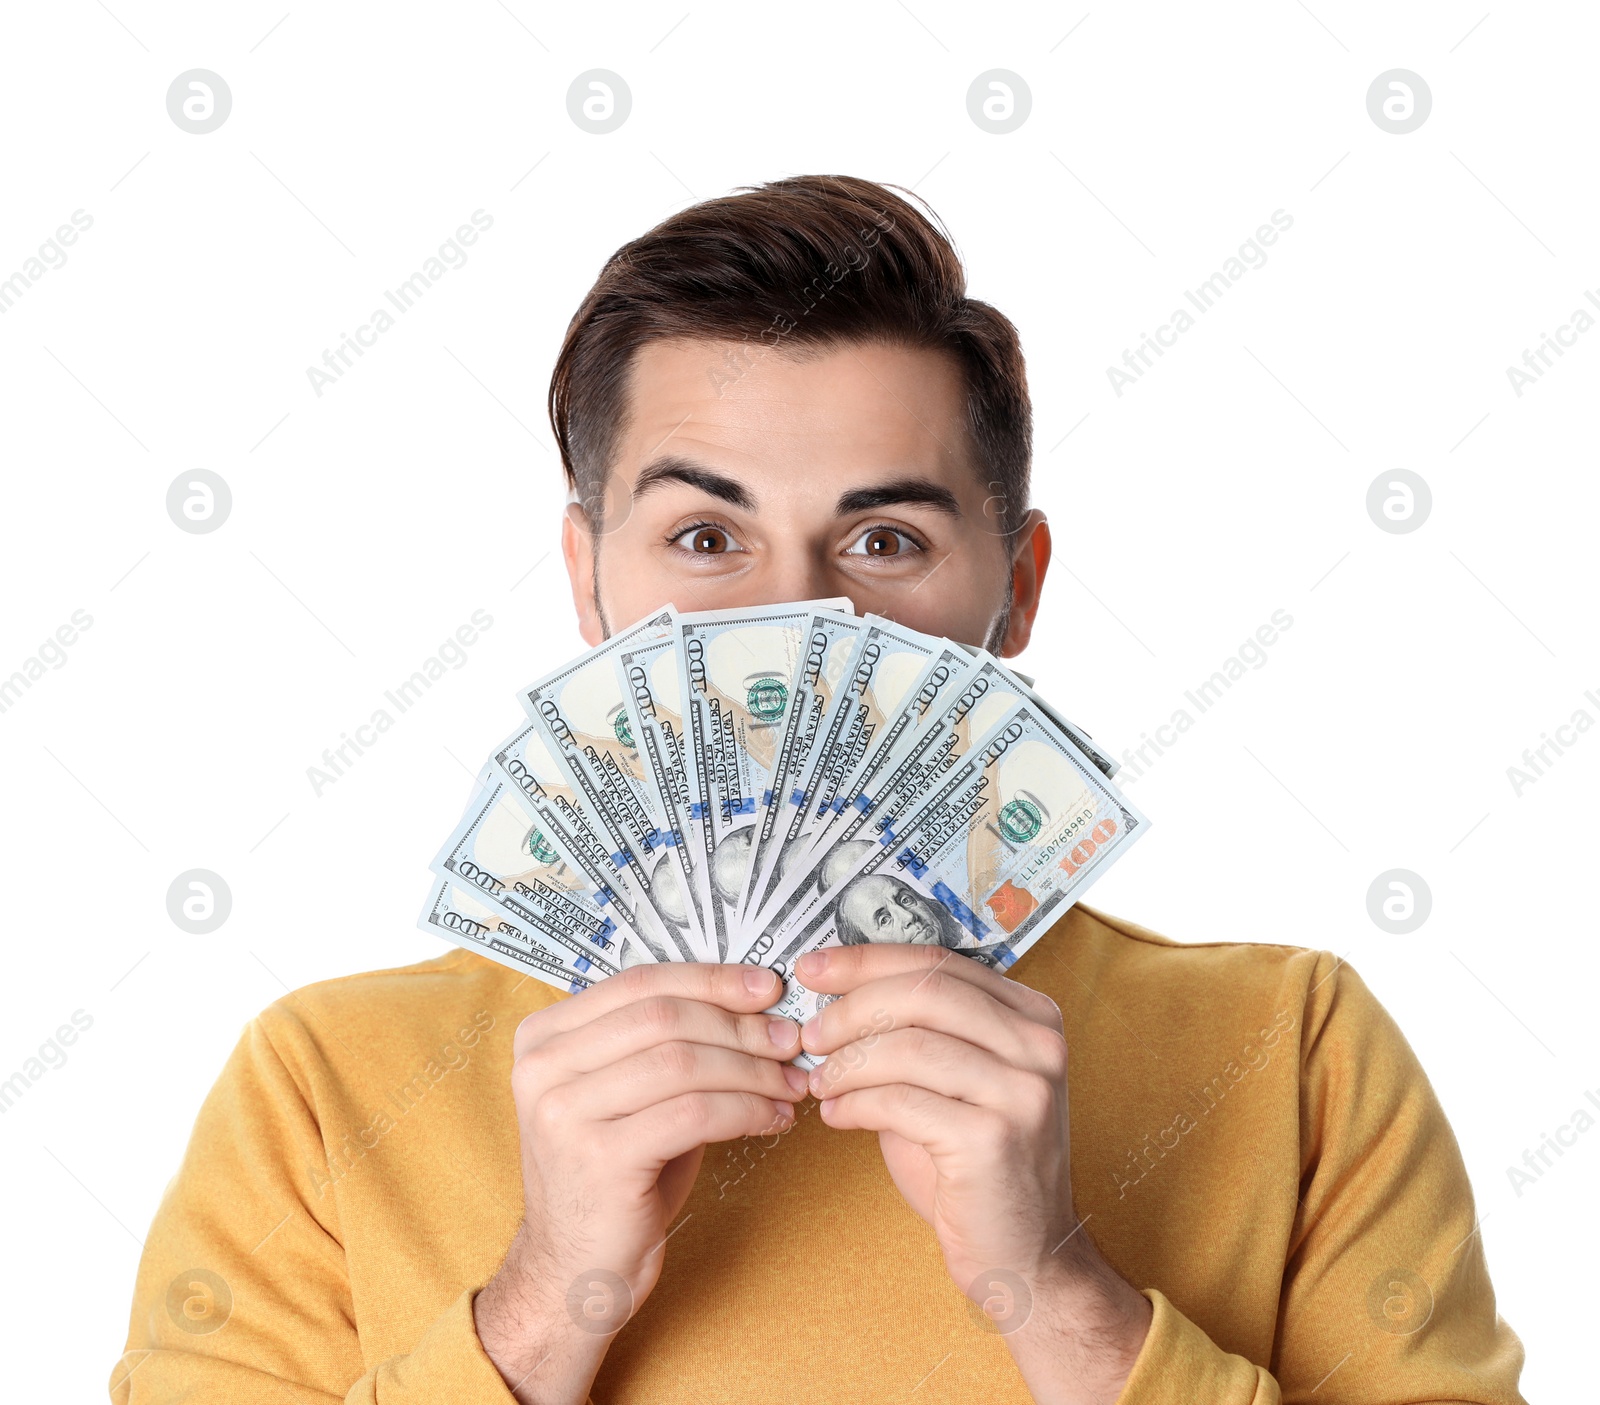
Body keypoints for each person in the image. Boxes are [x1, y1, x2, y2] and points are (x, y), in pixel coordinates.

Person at [111, 175, 1528, 1404]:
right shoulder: (322, 1084)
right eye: (706, 533)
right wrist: (546, 1299)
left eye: (887, 538)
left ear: (1016, 589)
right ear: (587, 579)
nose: (798, 620)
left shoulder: (1290, 1050)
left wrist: (1053, 1289)